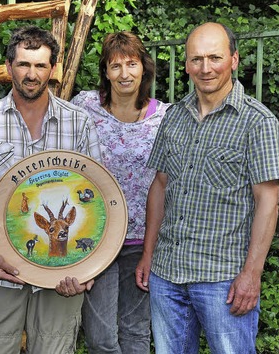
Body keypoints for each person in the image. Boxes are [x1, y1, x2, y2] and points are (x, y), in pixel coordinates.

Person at [0, 25, 100, 353]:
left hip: (62, 273)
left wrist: (88, 266)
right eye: (23, 65)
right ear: (9, 67)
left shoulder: (79, 122)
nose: (31, 74)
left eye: (40, 65)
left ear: (53, 70)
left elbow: (97, 197)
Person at [135, 22, 279, 353]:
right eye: (196, 59)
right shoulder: (173, 117)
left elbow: (267, 203)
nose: (205, 68)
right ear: (186, 65)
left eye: (214, 57)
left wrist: (252, 275)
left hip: (223, 279)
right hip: (167, 273)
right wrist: (148, 254)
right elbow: (160, 186)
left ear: (234, 59)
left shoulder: (258, 122)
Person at [71, 31, 169, 353]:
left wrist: (151, 250)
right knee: (100, 337)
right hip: (96, 236)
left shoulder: (164, 118)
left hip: (142, 239)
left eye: (132, 64)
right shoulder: (84, 106)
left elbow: (166, 182)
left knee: (135, 331)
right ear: (105, 72)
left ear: (144, 68)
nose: (124, 74)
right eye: (115, 66)